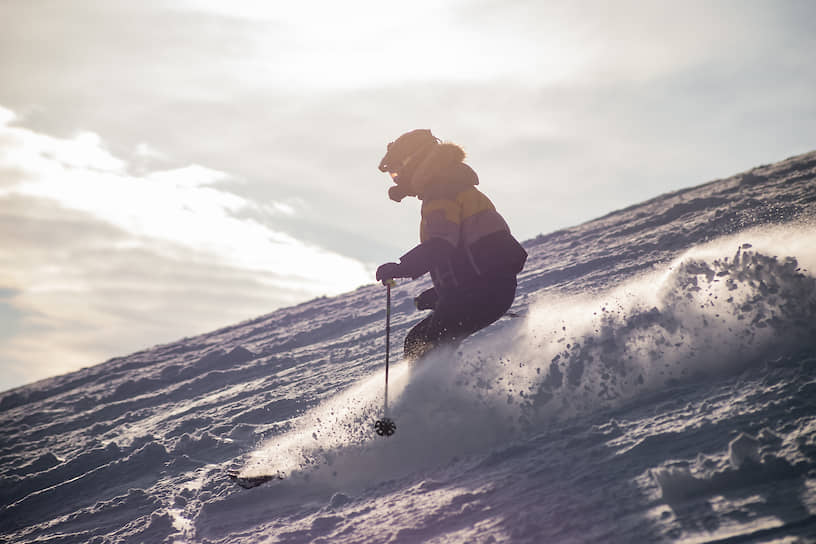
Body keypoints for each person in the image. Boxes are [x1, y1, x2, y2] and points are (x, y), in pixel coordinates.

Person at [375, 129, 527, 361]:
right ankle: (441, 387)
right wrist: (443, 291)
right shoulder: (452, 185)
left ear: (412, 162)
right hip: (486, 288)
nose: (396, 179)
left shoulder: (441, 192)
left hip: (481, 292)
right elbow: (469, 249)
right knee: (418, 340)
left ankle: (435, 393)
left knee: (424, 345)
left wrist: (399, 268)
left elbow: (441, 245)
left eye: (396, 172)